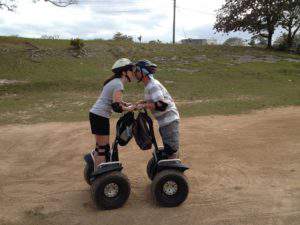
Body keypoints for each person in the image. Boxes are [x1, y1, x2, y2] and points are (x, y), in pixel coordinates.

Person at [89, 58, 135, 170]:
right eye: (130, 70)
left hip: (96, 114)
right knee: (103, 149)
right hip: (100, 116)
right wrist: (129, 109)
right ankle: (99, 177)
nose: (133, 73)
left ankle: (96, 173)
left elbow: (111, 100)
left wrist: (125, 104)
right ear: (124, 72)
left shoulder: (114, 82)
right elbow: (116, 107)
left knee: (100, 147)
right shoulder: (119, 84)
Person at [134, 60, 180, 159]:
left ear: (144, 72)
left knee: (171, 150)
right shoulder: (149, 85)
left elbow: (162, 105)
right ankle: (169, 171)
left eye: (137, 70)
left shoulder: (152, 85)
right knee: (169, 148)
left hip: (169, 121)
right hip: (165, 121)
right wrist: (143, 102)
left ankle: (172, 172)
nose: (135, 73)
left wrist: (144, 106)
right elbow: (156, 101)